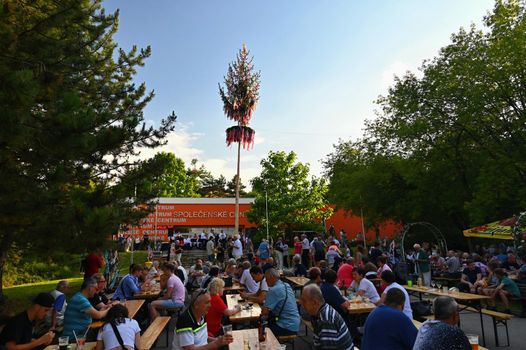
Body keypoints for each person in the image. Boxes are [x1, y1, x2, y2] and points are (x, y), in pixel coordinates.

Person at [299, 284, 354, 350]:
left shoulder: (326, 320)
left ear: (315, 303)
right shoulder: (321, 311)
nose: (300, 302)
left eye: (304, 300)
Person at [261, 268, 300, 336]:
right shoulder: (286, 285)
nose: (266, 281)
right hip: (295, 324)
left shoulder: (273, 290)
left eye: (266, 279)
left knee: (262, 331)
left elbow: (264, 312)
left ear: (272, 277)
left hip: (286, 327)